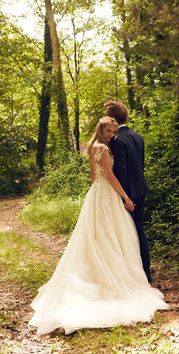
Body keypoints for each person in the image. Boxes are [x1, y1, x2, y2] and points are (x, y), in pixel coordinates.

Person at [28, 116, 169, 335]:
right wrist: (125, 198)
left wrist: (97, 195)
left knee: (100, 234)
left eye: (114, 132)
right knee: (111, 235)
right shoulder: (103, 148)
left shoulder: (92, 146)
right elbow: (111, 176)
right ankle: (109, 277)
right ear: (101, 129)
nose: (112, 135)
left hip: (97, 194)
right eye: (109, 131)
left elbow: (94, 176)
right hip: (109, 193)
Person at [105, 101, 152, 283]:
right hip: (141, 189)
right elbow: (140, 165)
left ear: (113, 119)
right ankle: (145, 271)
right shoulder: (137, 136)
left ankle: (134, 274)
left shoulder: (117, 141)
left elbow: (122, 171)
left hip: (128, 194)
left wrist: (124, 197)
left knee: (127, 233)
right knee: (139, 229)